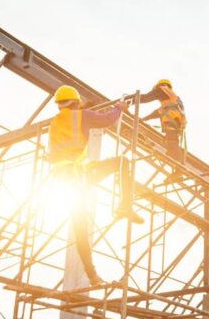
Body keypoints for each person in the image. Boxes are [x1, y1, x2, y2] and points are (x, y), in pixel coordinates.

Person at [49, 85, 144, 285]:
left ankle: (93, 277)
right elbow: (108, 120)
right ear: (76, 102)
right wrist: (119, 107)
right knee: (122, 163)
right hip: (79, 175)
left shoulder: (55, 123)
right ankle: (124, 206)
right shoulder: (81, 116)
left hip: (64, 180)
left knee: (80, 229)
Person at [141, 78, 187, 181]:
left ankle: (179, 170)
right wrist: (143, 119)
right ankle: (176, 170)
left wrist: (133, 99)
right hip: (175, 124)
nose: (157, 96)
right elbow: (156, 113)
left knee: (172, 144)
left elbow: (146, 97)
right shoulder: (170, 101)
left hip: (172, 123)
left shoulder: (163, 89)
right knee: (170, 146)